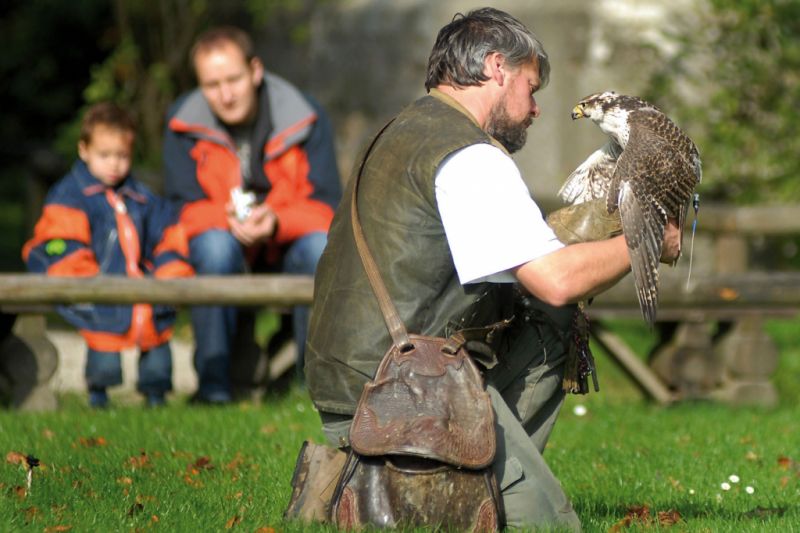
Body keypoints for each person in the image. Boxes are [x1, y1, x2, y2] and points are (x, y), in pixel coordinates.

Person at [305, 7, 681, 530]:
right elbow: (557, 279)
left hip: (361, 385)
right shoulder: (469, 156)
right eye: (532, 87)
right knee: (552, 527)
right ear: (497, 68)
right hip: (399, 401)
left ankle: (480, 475)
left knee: (551, 322)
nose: (536, 108)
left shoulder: (400, 130)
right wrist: (647, 242)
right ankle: (454, 485)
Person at [163, 26, 342, 404]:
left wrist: (275, 222)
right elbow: (180, 212)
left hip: (287, 247)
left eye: (233, 79)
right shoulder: (181, 123)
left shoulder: (305, 116)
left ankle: (313, 387)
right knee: (212, 246)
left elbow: (327, 210)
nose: (225, 95)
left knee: (319, 247)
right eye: (211, 85)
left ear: (255, 70)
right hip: (224, 246)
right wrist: (224, 219)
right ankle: (213, 388)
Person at [23, 102, 194, 408]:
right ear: (84, 150)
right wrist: (91, 285)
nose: (114, 164)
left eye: (122, 156)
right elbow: (62, 241)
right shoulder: (70, 196)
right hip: (100, 294)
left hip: (145, 295)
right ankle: (98, 398)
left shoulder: (142, 197)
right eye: (105, 155)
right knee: (103, 351)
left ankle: (156, 397)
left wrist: (168, 275)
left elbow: (168, 235)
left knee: (157, 349)